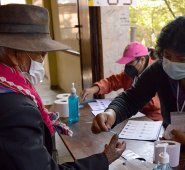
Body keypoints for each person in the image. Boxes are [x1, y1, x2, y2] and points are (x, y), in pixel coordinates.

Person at [0, 4, 126, 170]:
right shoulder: (18, 111)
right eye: (41, 53)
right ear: (14, 55)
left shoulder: (11, 87)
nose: (42, 60)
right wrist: (104, 159)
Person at [91, 16, 185, 146]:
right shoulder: (159, 69)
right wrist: (111, 113)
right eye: (167, 56)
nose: (172, 63)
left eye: (181, 59)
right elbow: (132, 98)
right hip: (170, 142)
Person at [81, 41, 162, 121]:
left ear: (142, 60)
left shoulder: (157, 73)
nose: (127, 66)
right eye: (126, 63)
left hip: (153, 119)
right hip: (134, 115)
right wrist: (94, 89)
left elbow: (155, 105)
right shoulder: (130, 74)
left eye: (130, 62)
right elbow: (112, 82)